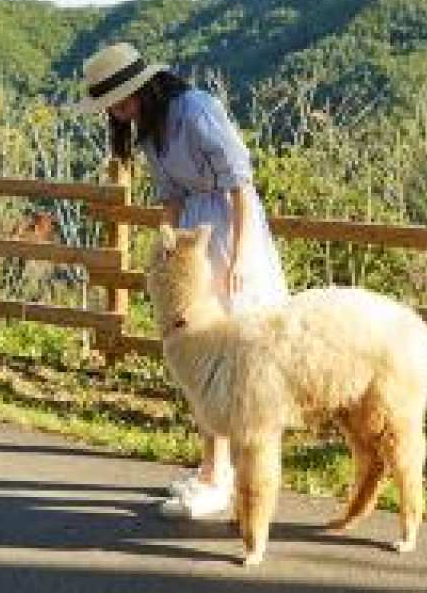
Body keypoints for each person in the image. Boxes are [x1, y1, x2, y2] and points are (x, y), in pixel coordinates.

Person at [76, 42, 290, 520]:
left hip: (230, 227)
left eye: (120, 100)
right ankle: (213, 469)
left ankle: (225, 474)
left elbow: (239, 184)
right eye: (111, 105)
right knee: (196, 350)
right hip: (193, 232)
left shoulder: (196, 111)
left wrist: (238, 257)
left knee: (231, 353)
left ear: (143, 87)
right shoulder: (149, 129)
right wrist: (167, 247)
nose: (116, 111)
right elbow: (169, 197)